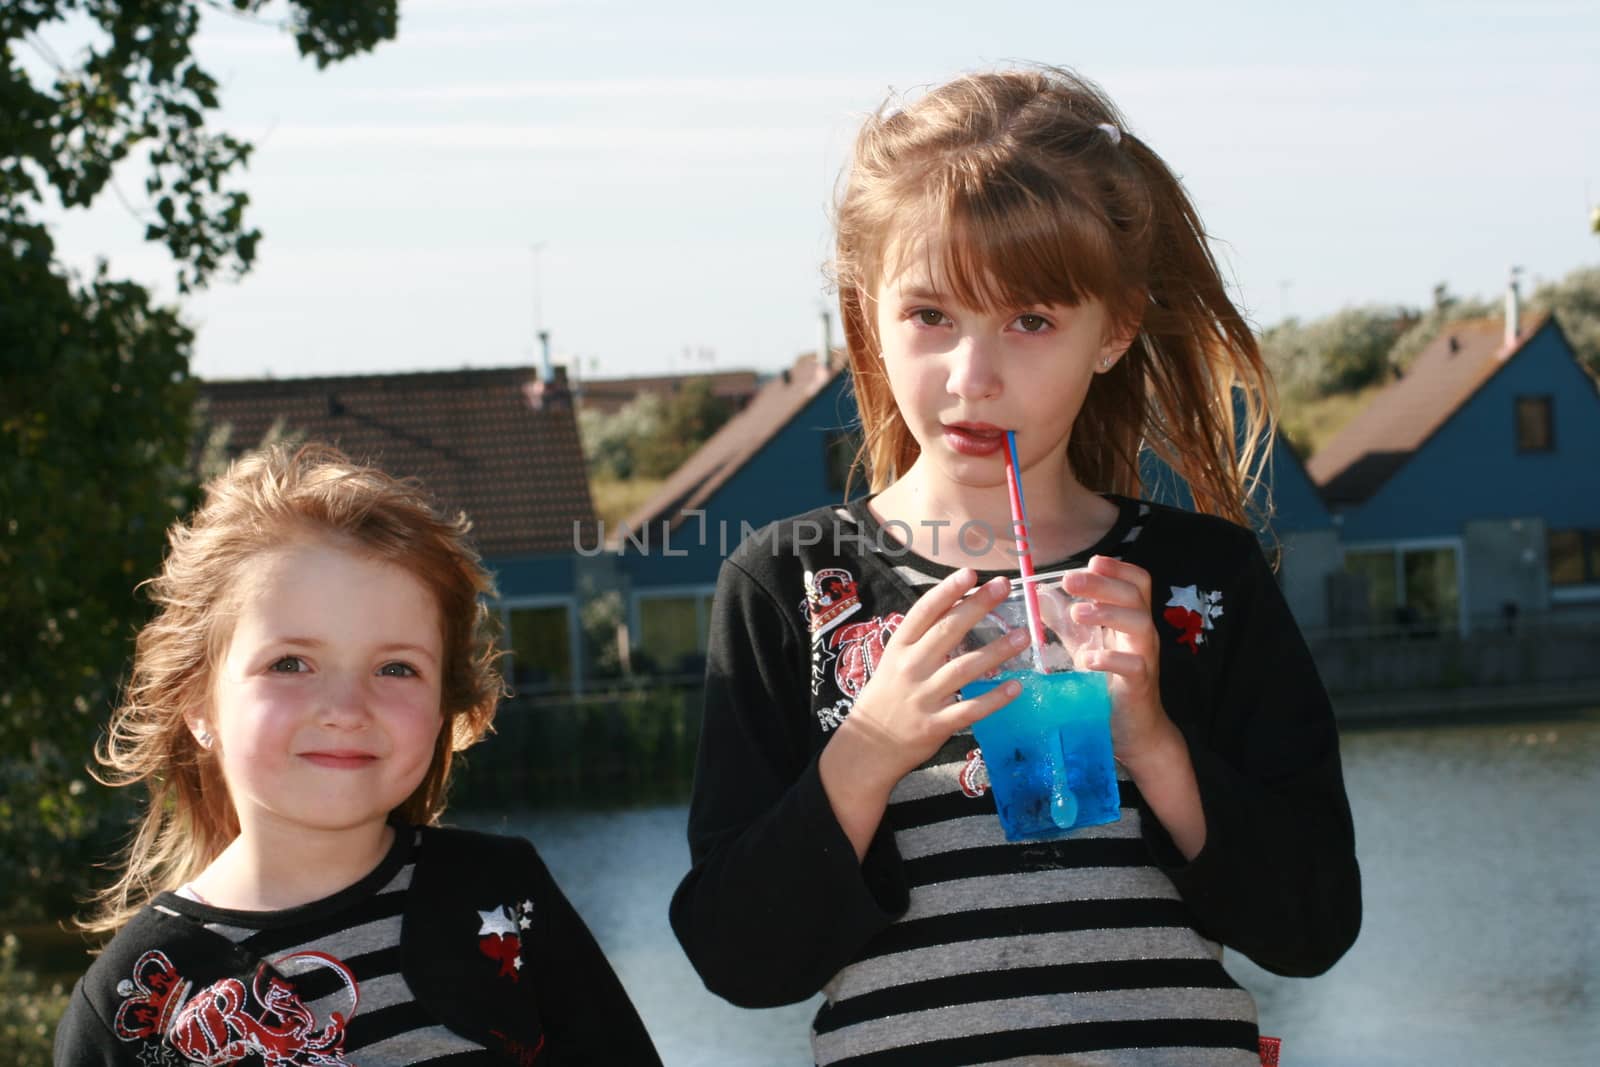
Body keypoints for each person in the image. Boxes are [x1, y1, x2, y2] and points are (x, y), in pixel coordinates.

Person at [670, 66, 1361, 1066]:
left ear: (1114, 330)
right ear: (867, 315)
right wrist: (872, 744)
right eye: (930, 316)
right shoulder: (790, 583)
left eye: (1030, 321)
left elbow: (1313, 923)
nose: (972, 376)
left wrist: (1155, 741)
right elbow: (741, 958)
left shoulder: (1200, 579)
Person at [56, 443, 660, 1066]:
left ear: (445, 707)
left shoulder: (502, 897)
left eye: (396, 668)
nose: (347, 707)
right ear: (197, 704)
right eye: (290, 663)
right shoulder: (135, 1006)